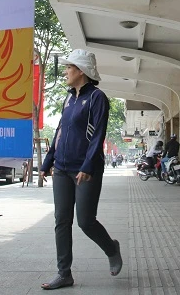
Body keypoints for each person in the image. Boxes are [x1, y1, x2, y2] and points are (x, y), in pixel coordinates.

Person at [39, 49, 123, 290]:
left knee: (85, 221)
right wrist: (48, 162)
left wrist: (87, 165)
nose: (65, 72)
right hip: (62, 168)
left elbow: (98, 135)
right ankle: (64, 273)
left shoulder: (97, 98)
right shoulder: (68, 99)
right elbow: (60, 131)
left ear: (81, 71)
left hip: (86, 169)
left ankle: (111, 248)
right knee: (61, 220)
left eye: (69, 67)